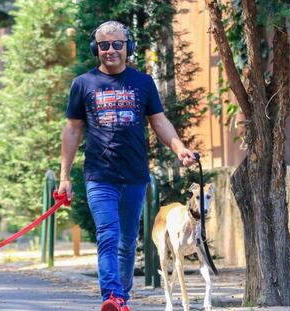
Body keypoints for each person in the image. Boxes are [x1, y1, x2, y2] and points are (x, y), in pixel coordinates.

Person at [58, 21, 196, 311]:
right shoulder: (83, 84)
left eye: (117, 44)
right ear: (96, 48)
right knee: (108, 234)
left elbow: (159, 121)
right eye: (104, 45)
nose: (111, 50)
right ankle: (111, 296)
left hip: (134, 175)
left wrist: (180, 149)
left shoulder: (143, 83)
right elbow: (72, 129)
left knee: (127, 240)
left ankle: (121, 297)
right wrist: (64, 177)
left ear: (128, 47)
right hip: (99, 175)